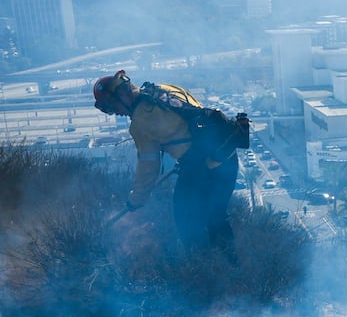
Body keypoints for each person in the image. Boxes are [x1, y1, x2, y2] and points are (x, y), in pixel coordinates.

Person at [92, 71, 240, 254]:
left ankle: (202, 267)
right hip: (227, 155)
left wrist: (137, 199)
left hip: (203, 169)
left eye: (112, 106)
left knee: (185, 220)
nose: (116, 113)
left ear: (122, 95)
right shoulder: (164, 89)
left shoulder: (140, 123)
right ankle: (232, 268)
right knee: (217, 217)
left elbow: (148, 168)